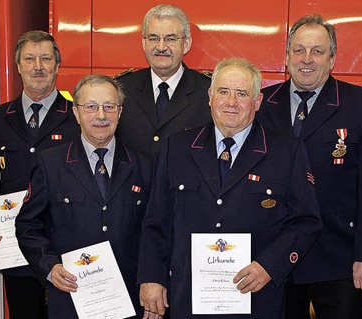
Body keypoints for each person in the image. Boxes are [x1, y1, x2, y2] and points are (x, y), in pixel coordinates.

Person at [138, 57, 322, 319]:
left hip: (256, 297)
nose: (231, 102)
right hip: (188, 297)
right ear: (211, 96)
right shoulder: (176, 148)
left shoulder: (286, 152)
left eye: (242, 94)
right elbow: (156, 221)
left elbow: (307, 222)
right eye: (223, 92)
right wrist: (151, 278)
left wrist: (269, 266)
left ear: (257, 102)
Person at [256, 14, 362, 319]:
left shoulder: (361, 103)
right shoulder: (262, 103)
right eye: (299, 50)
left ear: (331, 59)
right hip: (274, 259)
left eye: (317, 51)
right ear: (287, 56)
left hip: (339, 259)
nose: (307, 59)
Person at [15, 74, 153, 319]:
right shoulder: (50, 164)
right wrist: (49, 267)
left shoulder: (144, 166)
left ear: (120, 112)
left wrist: (153, 281)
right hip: (71, 298)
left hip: (129, 300)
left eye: (109, 107)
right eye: (90, 107)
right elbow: (28, 225)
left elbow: (155, 230)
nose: (101, 115)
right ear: (76, 113)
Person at [0, 30, 80, 318]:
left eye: (46, 59)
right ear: (18, 66)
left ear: (57, 66)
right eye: (29, 59)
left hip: (64, 251)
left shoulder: (77, 116)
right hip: (15, 250)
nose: (38, 67)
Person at [116, 4, 212, 156]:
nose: (161, 47)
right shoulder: (122, 89)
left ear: (186, 44)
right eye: (153, 38)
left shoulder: (208, 92)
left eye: (170, 39)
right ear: (143, 43)